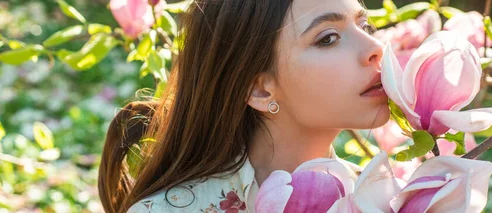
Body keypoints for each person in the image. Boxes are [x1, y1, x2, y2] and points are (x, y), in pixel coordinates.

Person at [99, 0, 389, 212]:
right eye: (328, 38)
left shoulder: (379, 198)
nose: (374, 47)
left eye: (365, 26)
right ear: (260, 89)